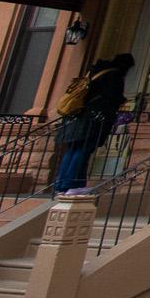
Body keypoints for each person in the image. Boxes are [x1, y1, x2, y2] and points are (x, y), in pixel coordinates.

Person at [51, 54, 133, 194]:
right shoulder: (114, 77)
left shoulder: (94, 72)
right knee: (83, 151)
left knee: (72, 149)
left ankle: (62, 184)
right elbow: (111, 98)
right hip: (93, 120)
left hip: (76, 117)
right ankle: (73, 185)